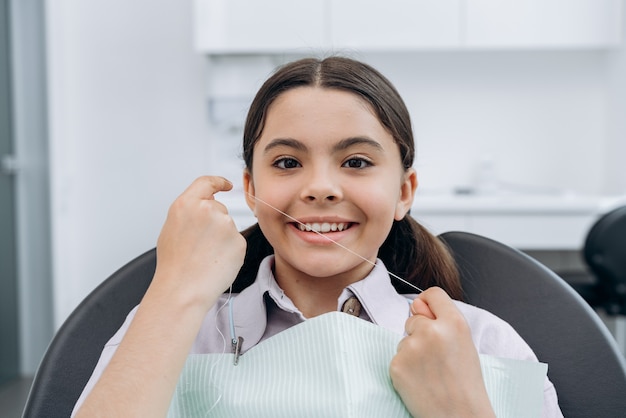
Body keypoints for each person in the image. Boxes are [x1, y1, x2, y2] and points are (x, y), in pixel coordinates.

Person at [72, 56, 563, 417]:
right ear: (250, 187)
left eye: (356, 162)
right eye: (287, 162)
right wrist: (175, 288)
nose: (321, 188)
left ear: (404, 191)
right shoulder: (175, 328)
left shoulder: (484, 343)